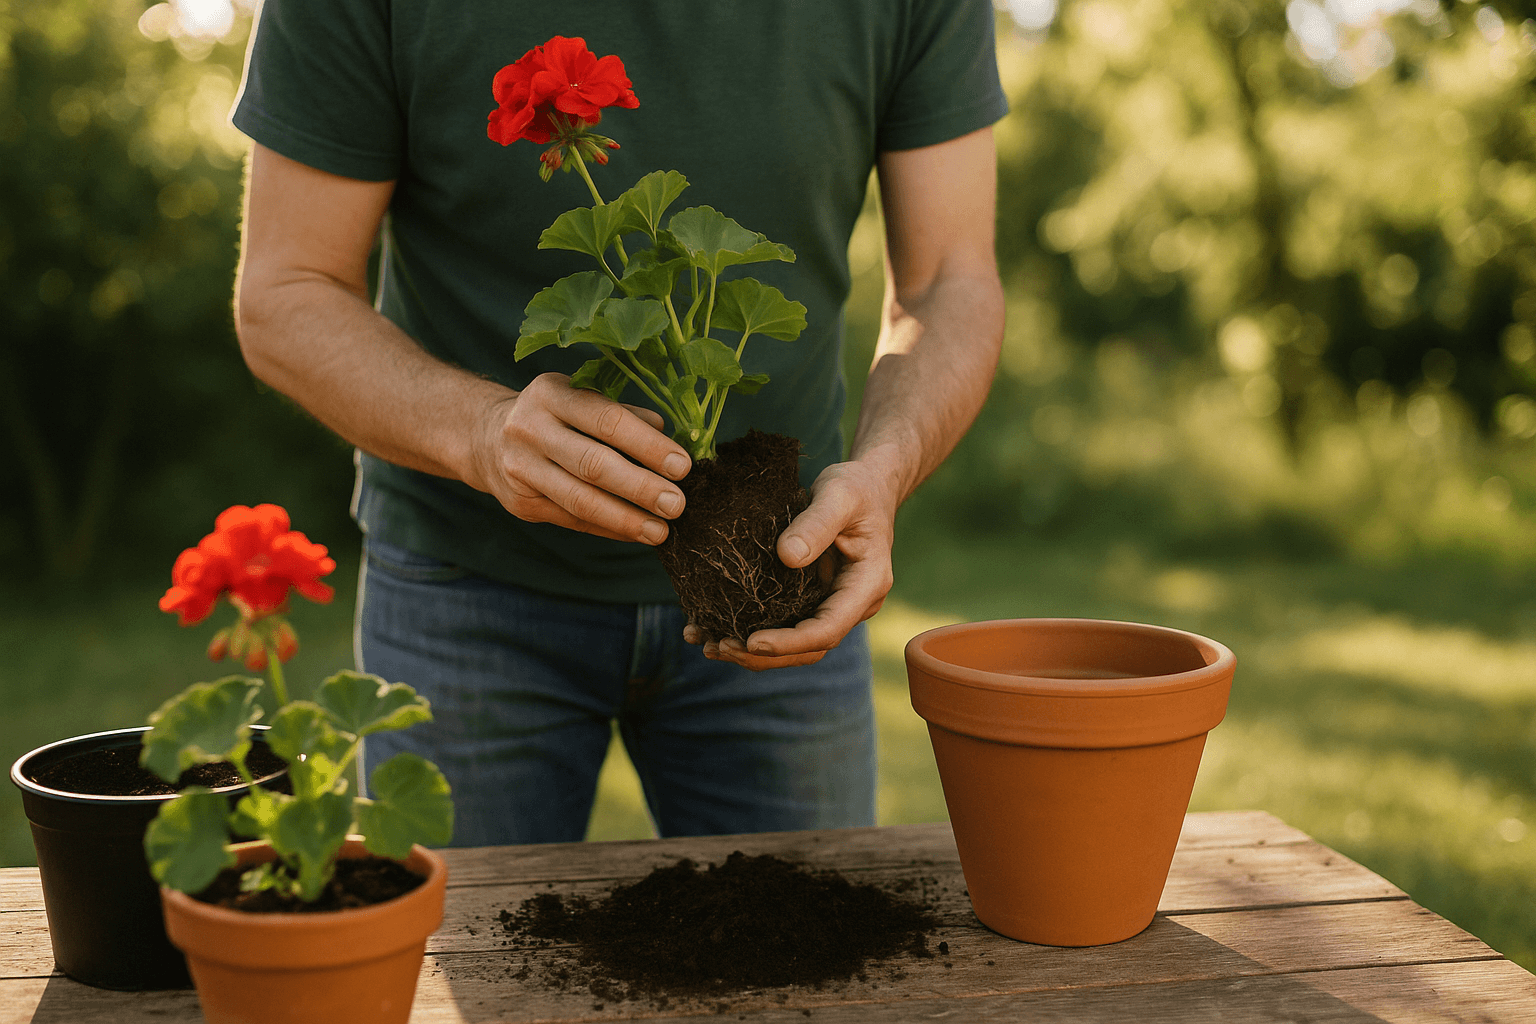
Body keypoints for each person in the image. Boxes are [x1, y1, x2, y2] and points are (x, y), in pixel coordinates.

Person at [229, 1, 1008, 846]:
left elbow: (950, 281)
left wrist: (883, 472)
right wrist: (482, 432)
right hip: (466, 581)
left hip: (782, 572)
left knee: (800, 962)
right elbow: (285, 289)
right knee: (486, 961)